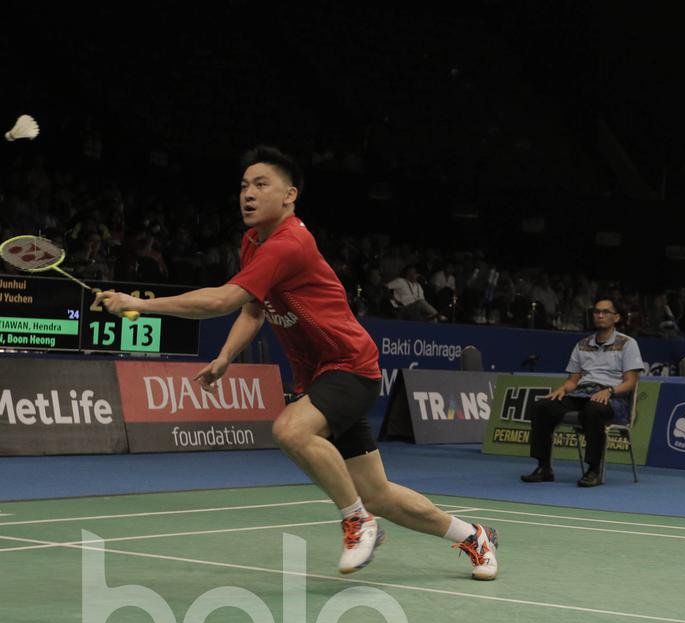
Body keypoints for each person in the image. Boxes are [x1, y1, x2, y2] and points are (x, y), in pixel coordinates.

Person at [96, 146, 498, 580]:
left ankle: (357, 522)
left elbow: (222, 299)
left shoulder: (290, 242)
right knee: (378, 493)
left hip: (349, 365)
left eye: (261, 184)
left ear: (289, 195)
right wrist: (226, 356)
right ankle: (473, 536)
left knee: (290, 429)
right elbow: (253, 308)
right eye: (244, 186)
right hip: (319, 376)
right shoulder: (253, 242)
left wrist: (141, 302)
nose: (247, 194)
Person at [521, 297, 644, 488]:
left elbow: (630, 383)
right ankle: (544, 467)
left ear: (616, 317)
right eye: (596, 312)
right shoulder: (582, 345)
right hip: (581, 394)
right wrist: (562, 390)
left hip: (614, 399)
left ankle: (593, 469)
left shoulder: (628, 344)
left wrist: (609, 391)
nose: (600, 315)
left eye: (605, 312)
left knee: (593, 410)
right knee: (542, 406)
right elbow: (573, 381)